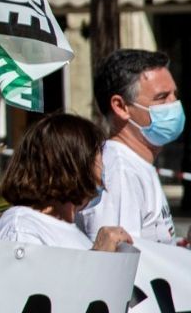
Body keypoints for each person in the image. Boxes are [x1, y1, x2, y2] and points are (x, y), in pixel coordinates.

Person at [76, 48, 183, 245]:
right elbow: (120, 261)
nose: (174, 103)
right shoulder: (121, 172)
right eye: (162, 97)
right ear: (120, 106)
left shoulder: (137, 165)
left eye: (174, 95)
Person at [0, 113, 133, 252]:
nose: (104, 163)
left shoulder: (73, 232)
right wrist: (100, 255)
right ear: (75, 164)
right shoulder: (22, 228)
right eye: (98, 153)